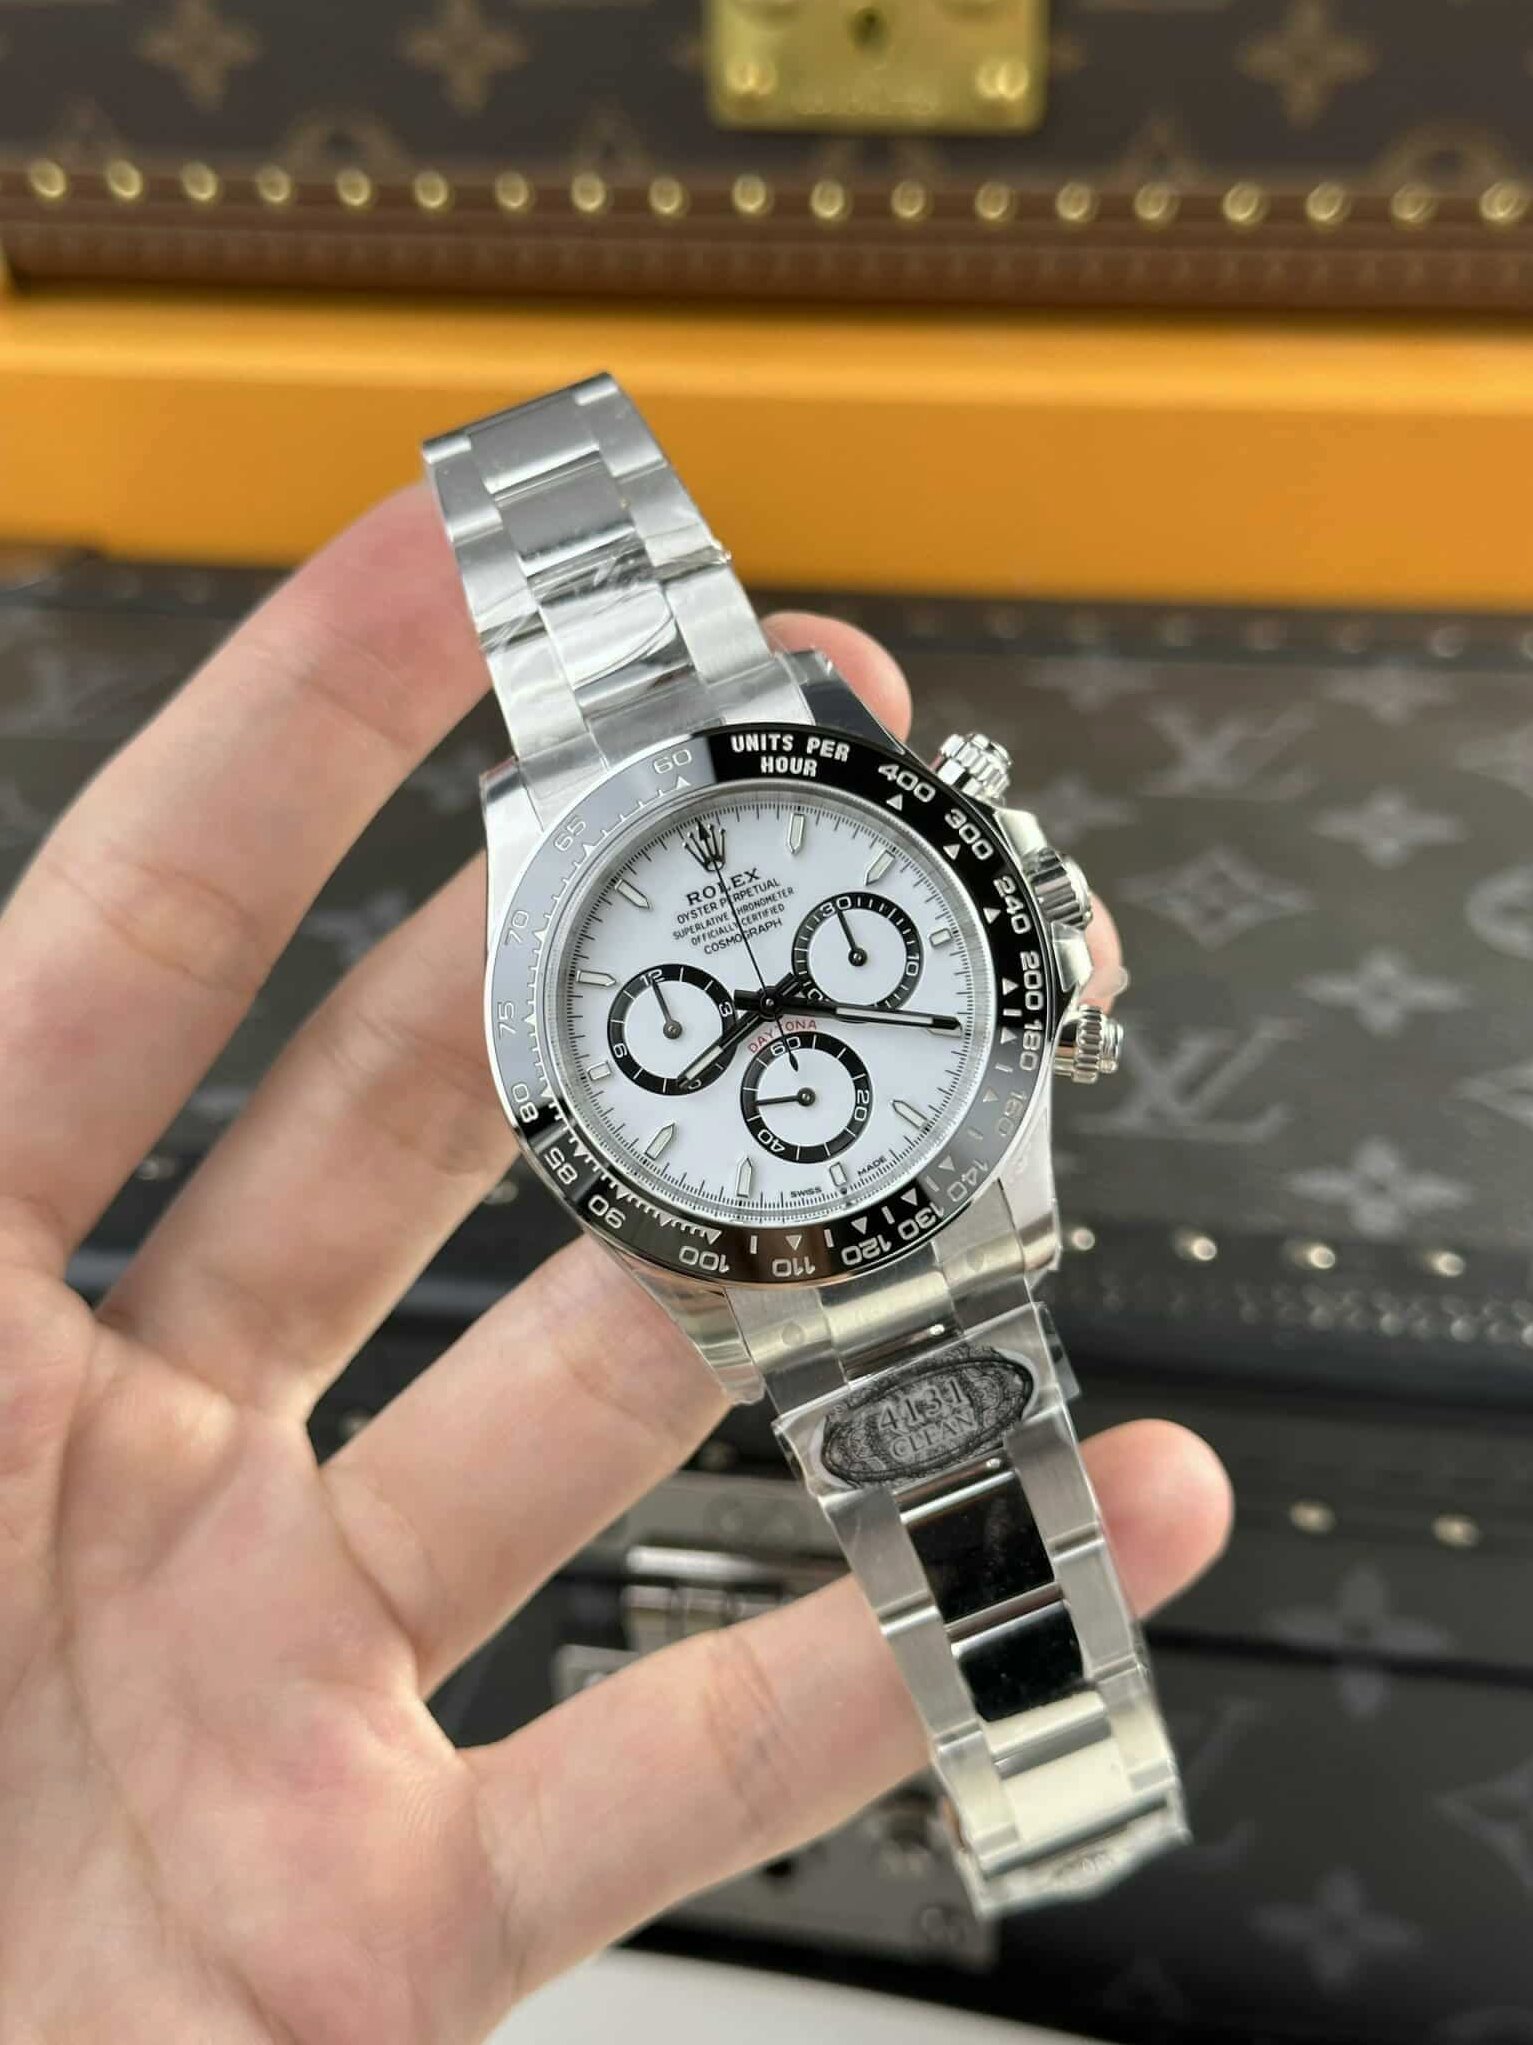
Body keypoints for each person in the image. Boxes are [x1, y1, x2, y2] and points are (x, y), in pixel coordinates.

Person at [0, 486, 1233, 2042]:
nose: (777, 1008)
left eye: (838, 958)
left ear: (1012, 908)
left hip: (908, 1186)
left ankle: (1072, 1802)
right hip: (791, 1211)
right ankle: (1067, 1801)